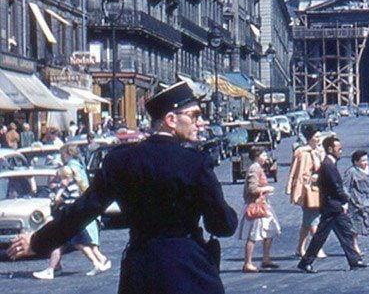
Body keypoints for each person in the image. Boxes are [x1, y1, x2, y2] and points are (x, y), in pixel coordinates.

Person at [7, 80, 238, 294]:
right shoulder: (195, 163)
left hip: (141, 269)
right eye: (195, 115)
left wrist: (38, 241)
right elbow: (223, 225)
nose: (201, 122)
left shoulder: (120, 161)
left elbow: (82, 210)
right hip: (189, 268)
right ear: (170, 119)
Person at [297, 137, 368, 273]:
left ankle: (354, 260)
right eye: (338, 148)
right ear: (330, 149)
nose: (340, 151)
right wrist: (345, 199)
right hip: (331, 207)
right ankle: (306, 262)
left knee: (345, 233)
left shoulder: (329, 163)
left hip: (332, 206)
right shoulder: (328, 165)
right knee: (321, 236)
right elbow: (336, 187)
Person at [32, 166, 105, 280]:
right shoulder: (73, 187)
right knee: (76, 245)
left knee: (74, 244)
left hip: (71, 223)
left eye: (60, 179)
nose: (59, 182)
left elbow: (58, 201)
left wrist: (59, 193)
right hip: (73, 222)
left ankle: (52, 270)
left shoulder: (71, 188)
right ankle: (55, 268)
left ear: (67, 177)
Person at [60, 144, 110, 274]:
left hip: (78, 210)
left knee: (81, 241)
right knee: (86, 240)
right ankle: (101, 260)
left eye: (62, 155)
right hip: (85, 205)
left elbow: (68, 195)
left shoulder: (71, 168)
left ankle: (97, 262)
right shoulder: (79, 165)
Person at [238, 146, 280, 272]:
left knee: (270, 230)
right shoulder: (254, 169)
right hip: (256, 206)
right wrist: (267, 189)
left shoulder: (258, 168)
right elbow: (252, 189)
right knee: (253, 234)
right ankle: (248, 263)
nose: (266, 157)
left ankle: (266, 258)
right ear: (257, 156)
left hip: (263, 204)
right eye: (264, 155)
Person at [285, 125, 326, 257]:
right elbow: (294, 171)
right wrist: (290, 186)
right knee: (313, 219)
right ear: (310, 138)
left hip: (319, 188)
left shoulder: (320, 151)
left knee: (307, 222)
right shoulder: (302, 152)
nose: (319, 139)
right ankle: (316, 248)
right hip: (306, 189)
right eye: (316, 137)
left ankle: (300, 248)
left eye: (320, 136)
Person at [343, 149, 369, 256]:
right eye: (363, 160)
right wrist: (347, 201)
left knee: (360, 224)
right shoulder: (351, 172)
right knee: (353, 226)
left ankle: (353, 246)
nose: (365, 163)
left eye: (366, 160)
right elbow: (345, 187)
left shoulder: (366, 170)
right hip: (354, 204)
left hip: (365, 203)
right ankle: (354, 247)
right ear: (356, 161)